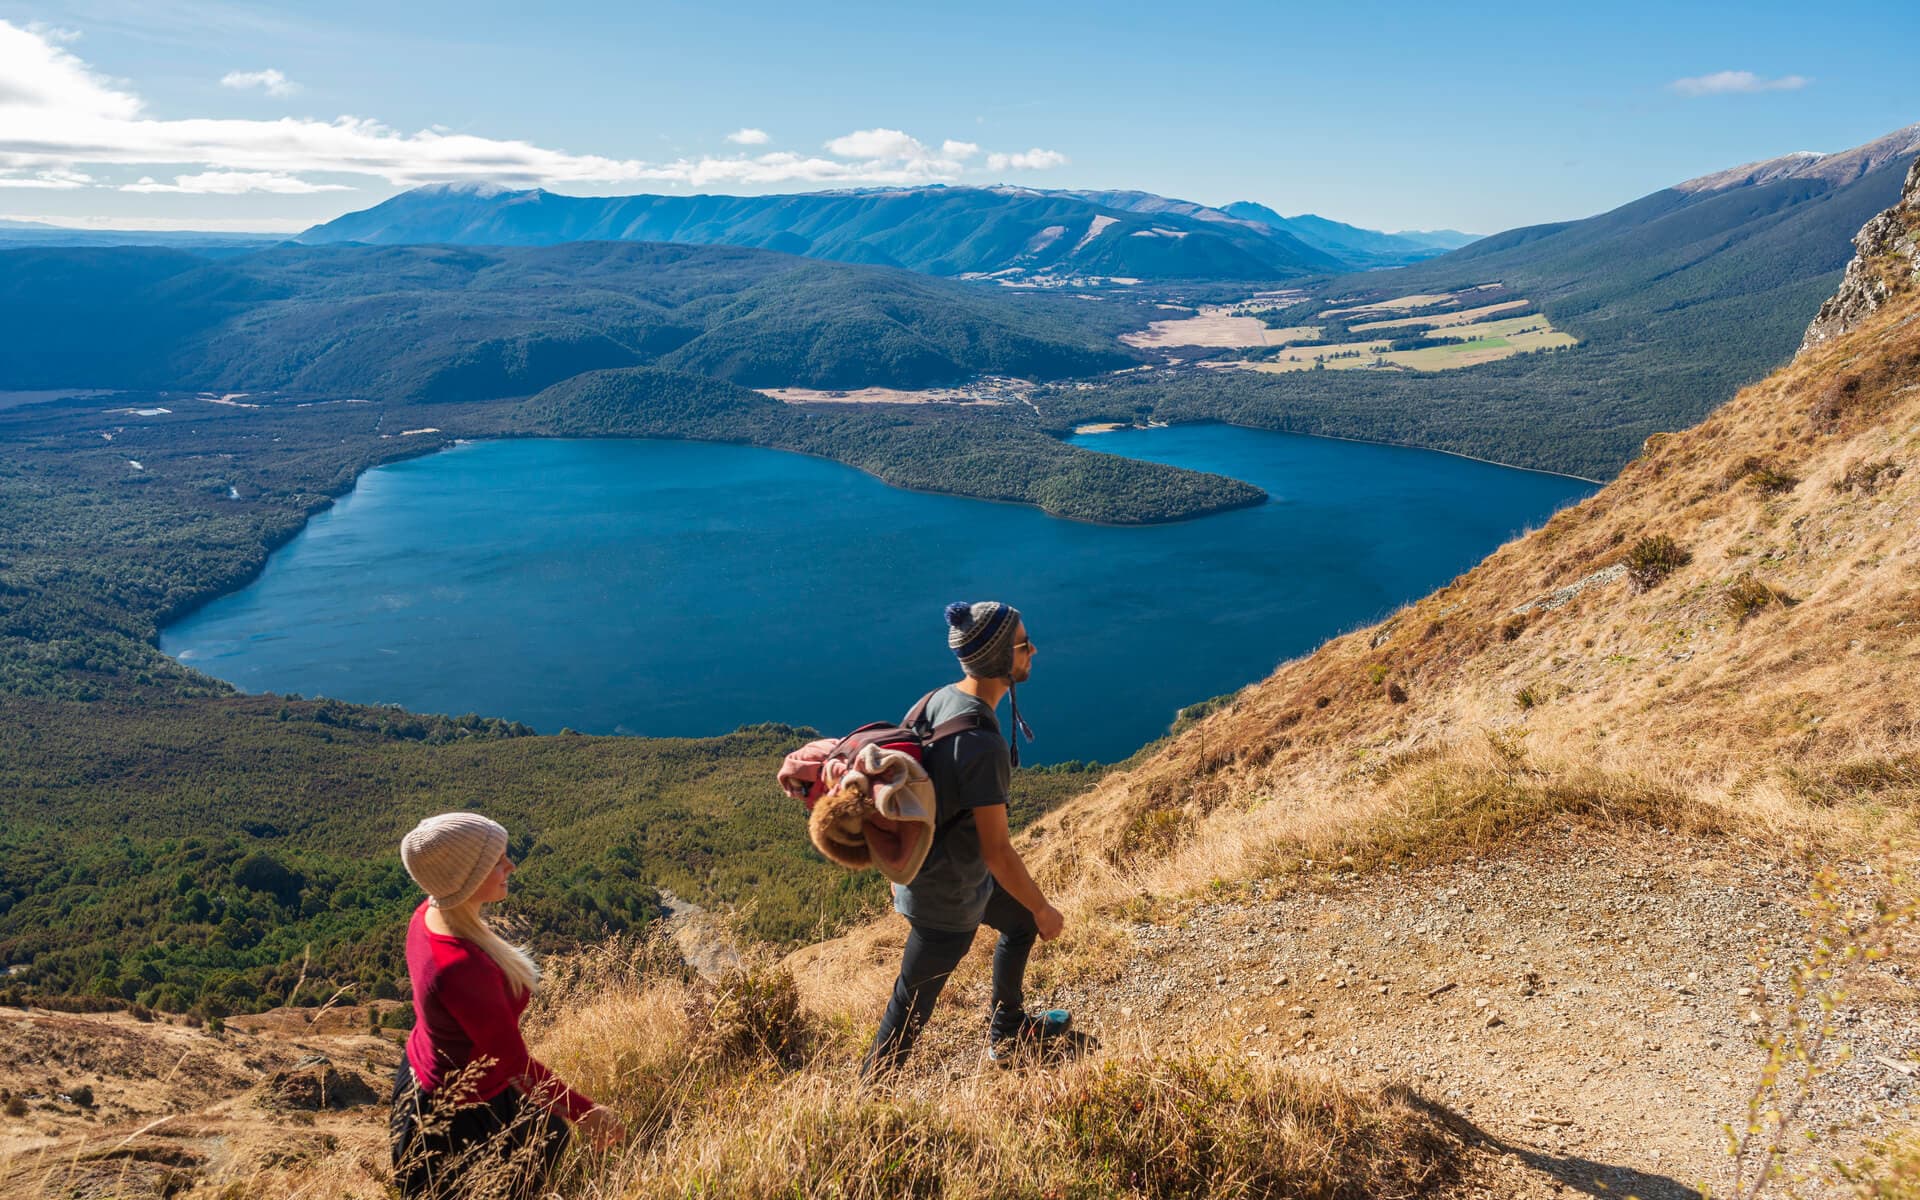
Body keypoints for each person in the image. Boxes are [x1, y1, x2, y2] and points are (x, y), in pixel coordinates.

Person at [860, 600, 1090, 1078]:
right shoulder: (981, 744)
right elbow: (998, 851)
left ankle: (1009, 1033)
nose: (1033, 651)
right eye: (1024, 644)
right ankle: (868, 1096)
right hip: (946, 902)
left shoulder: (934, 700)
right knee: (908, 1010)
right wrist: (1045, 909)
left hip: (947, 877)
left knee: (1019, 923)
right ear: (999, 658)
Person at [390, 812, 627, 1199]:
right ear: (465, 879)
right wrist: (586, 1113)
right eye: (496, 861)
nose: (510, 866)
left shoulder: (427, 916)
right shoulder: (461, 967)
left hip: (431, 1074)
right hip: (458, 1111)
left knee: (549, 1136)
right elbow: (514, 1065)